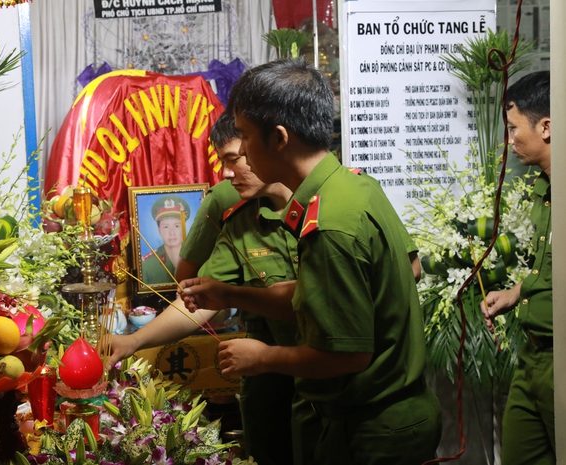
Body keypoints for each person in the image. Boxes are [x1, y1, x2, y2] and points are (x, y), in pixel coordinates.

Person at [180, 58, 442, 465]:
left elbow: (347, 354)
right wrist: (229, 293)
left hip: (368, 431)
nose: (241, 156)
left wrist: (262, 357)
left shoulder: (329, 226)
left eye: (246, 138)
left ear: (279, 138)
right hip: (376, 417)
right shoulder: (352, 188)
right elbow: (323, 299)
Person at [108, 112, 319, 465]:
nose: (224, 174)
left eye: (235, 158)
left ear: (275, 144)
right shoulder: (241, 216)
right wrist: (132, 342)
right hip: (274, 371)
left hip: (336, 377)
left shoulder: (335, 199)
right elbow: (200, 299)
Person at [481, 71, 553, 465]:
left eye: (513, 129)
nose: (510, 141)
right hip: (533, 357)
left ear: (545, 127)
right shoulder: (543, 191)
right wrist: (515, 294)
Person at [141, 194, 190, 285]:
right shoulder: (147, 265)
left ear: (184, 227)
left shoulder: (196, 257)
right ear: (159, 230)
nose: (172, 232)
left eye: (177, 226)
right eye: (166, 227)